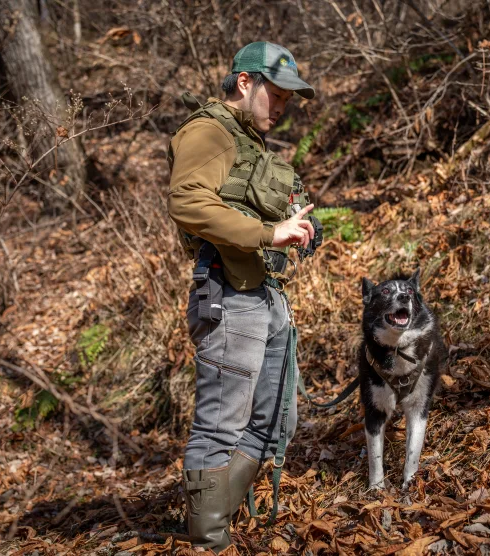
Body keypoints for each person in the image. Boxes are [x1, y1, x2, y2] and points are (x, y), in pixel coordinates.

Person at [167, 41, 317, 551]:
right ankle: (208, 540)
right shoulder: (209, 131)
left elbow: (250, 210)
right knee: (220, 427)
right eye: (276, 93)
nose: (281, 106)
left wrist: (291, 226)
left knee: (276, 419)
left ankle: (210, 521)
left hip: (262, 295)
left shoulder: (247, 142)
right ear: (246, 82)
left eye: (288, 99)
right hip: (228, 297)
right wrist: (269, 234)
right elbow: (187, 201)